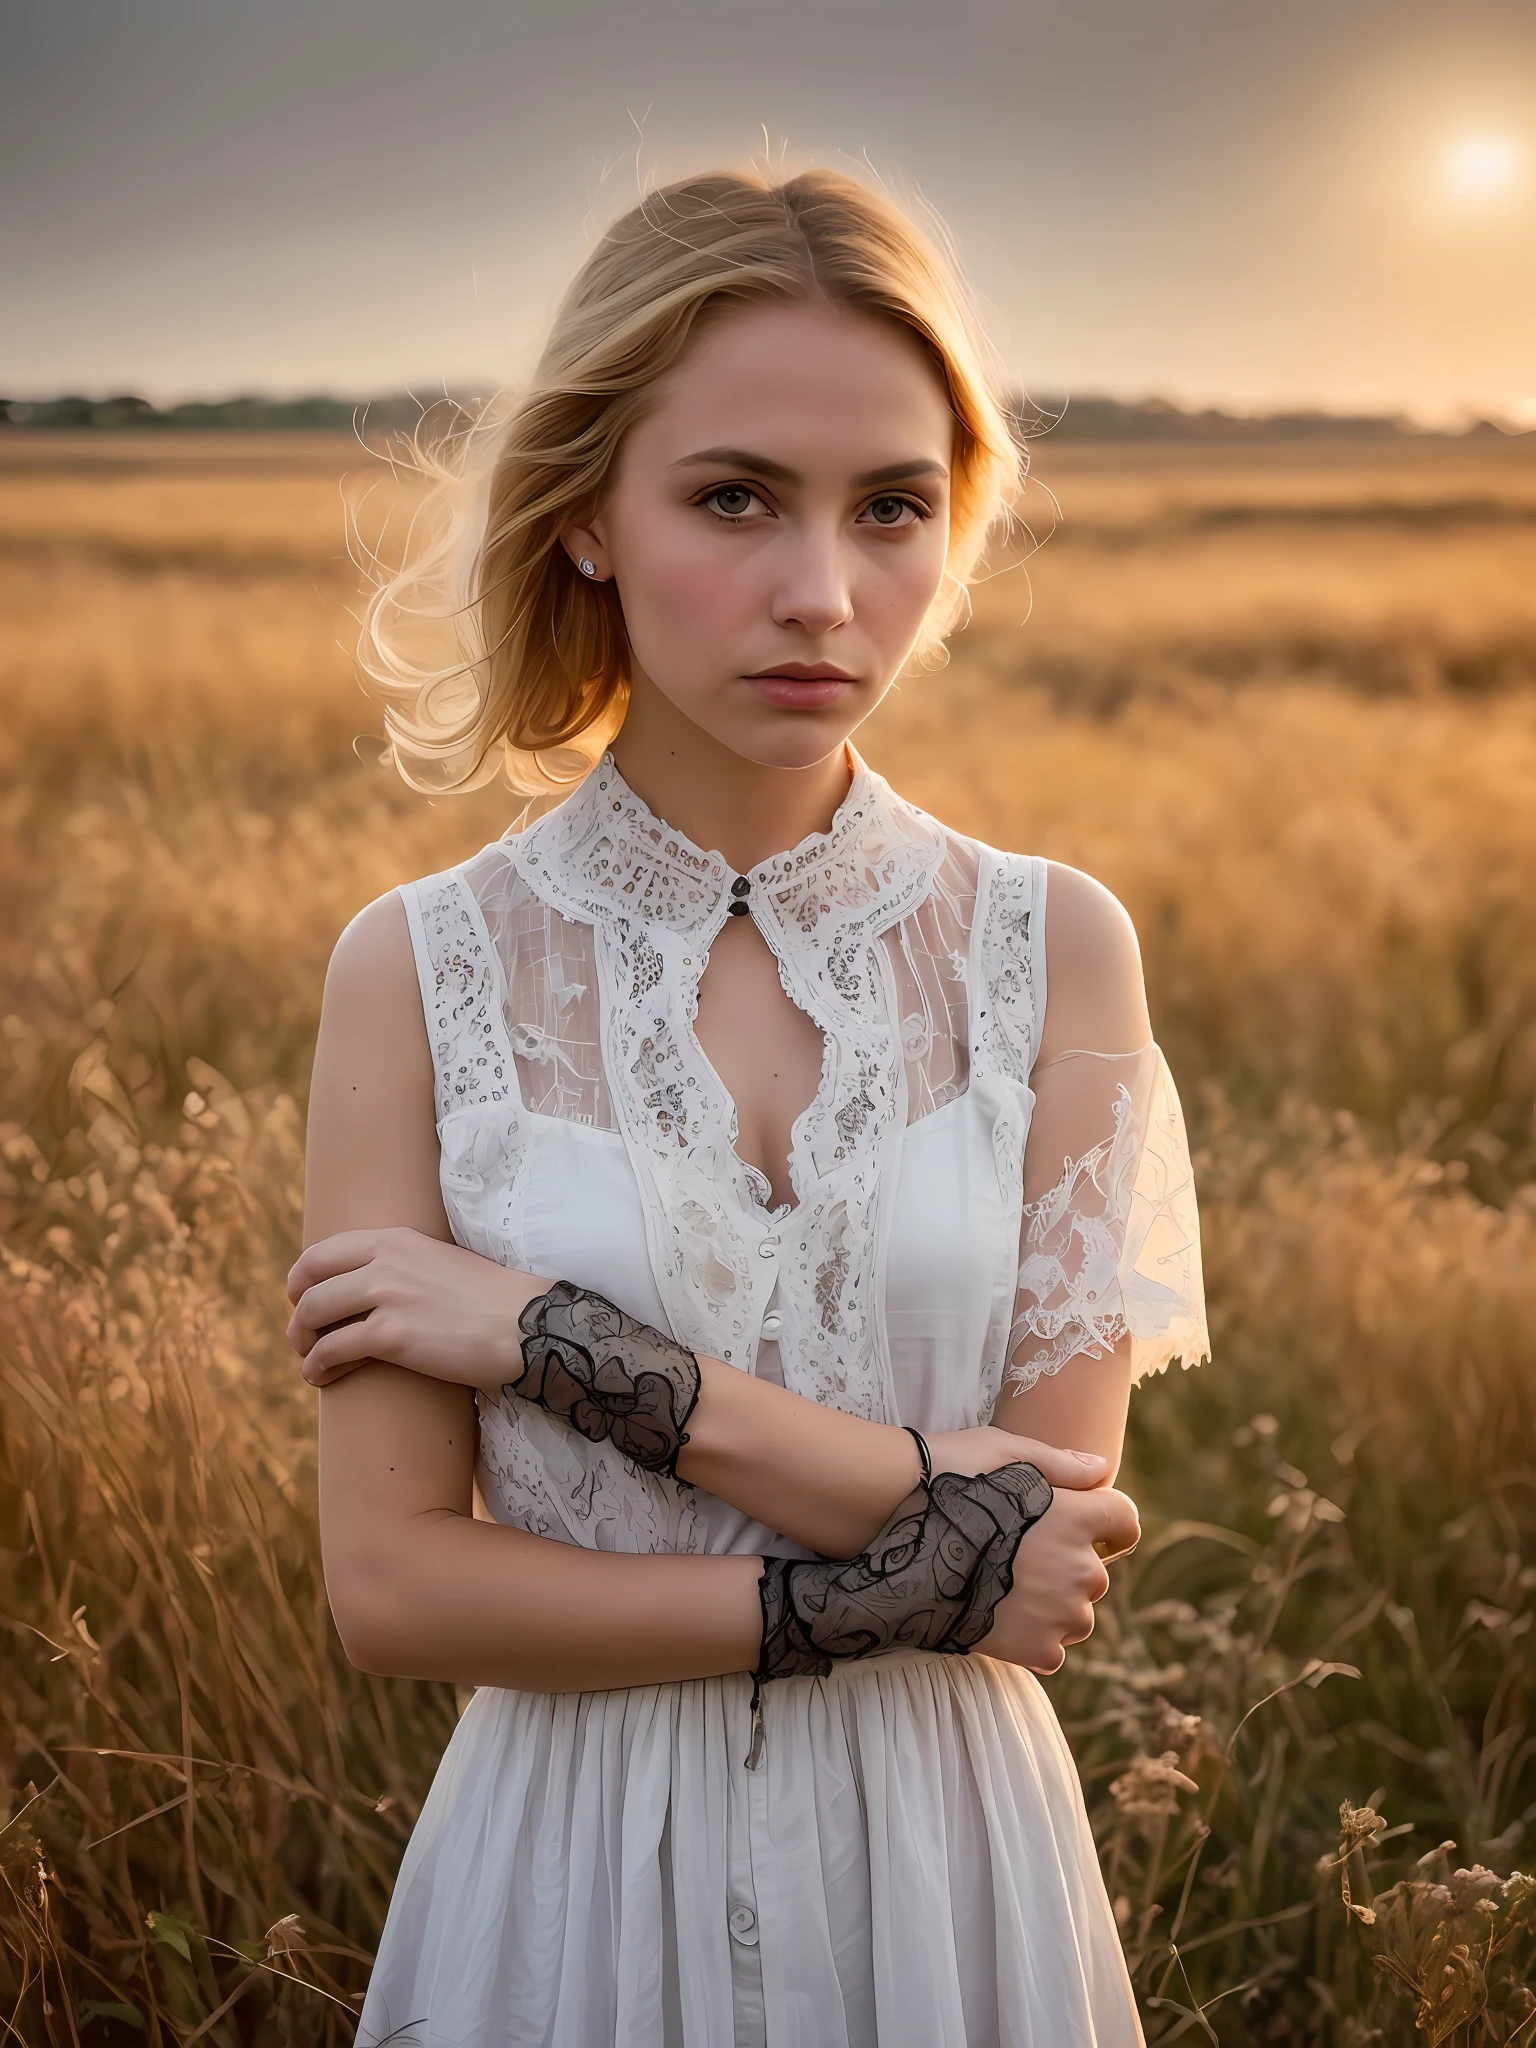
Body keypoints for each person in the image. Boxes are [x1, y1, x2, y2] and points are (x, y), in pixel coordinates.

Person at [286, 167, 1209, 2048]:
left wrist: (562, 1343)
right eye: (733, 498)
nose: (822, 592)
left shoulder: (1057, 948)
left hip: (949, 1874)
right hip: (566, 1878)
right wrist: (870, 1585)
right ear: (589, 522)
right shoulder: (419, 966)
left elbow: (1058, 1522)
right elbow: (394, 1588)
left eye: (892, 509)